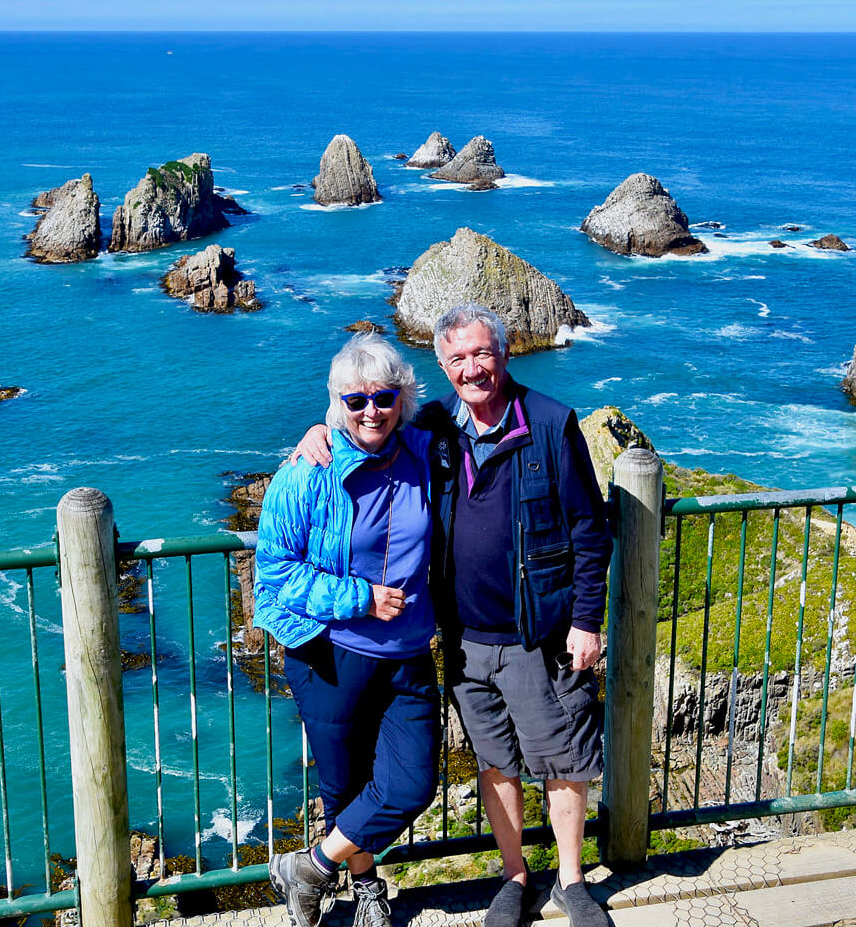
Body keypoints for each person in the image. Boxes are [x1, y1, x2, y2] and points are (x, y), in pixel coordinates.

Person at [295, 304, 611, 927]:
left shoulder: (550, 422)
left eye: (482, 354)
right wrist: (319, 432)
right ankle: (515, 875)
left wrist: (586, 620)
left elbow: (589, 528)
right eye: (458, 359)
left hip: (537, 632)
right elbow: (368, 425)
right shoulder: (435, 428)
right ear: (442, 365)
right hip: (464, 640)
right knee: (496, 761)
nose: (473, 369)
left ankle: (571, 881)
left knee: (561, 759)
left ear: (505, 354)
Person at [256, 333, 447, 927]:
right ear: (336, 401)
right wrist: (360, 598)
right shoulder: (306, 472)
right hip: (330, 654)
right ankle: (364, 884)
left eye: (384, 398)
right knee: (343, 785)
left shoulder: (428, 452)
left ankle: (308, 867)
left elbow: (484, 417)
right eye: (356, 399)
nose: (371, 411)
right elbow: (275, 570)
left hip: (410, 651)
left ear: (403, 399)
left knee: (413, 785)